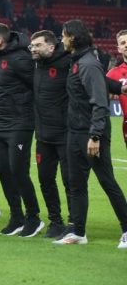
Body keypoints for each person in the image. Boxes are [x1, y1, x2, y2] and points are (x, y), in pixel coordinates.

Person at [54, 20, 127, 248]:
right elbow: (101, 82)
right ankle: (78, 232)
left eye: (63, 35)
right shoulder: (78, 61)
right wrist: (119, 87)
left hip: (91, 133)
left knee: (107, 182)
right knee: (76, 183)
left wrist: (95, 136)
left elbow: (100, 103)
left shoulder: (87, 63)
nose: (61, 39)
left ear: (73, 38)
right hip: (75, 131)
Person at [0, 23, 43, 237]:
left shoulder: (20, 59)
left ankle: (33, 217)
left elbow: (37, 86)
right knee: (2, 169)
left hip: (19, 123)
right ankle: (16, 216)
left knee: (18, 171)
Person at [29, 30, 71, 239]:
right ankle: (55, 221)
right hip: (43, 135)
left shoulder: (68, 62)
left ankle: (74, 223)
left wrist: (118, 88)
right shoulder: (35, 65)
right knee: (45, 180)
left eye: (38, 45)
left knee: (70, 181)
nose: (33, 49)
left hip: (65, 135)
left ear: (51, 47)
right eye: (32, 46)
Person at [106, 30, 127, 148]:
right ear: (119, 49)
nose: (126, 45)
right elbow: (101, 97)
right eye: (123, 43)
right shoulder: (114, 73)